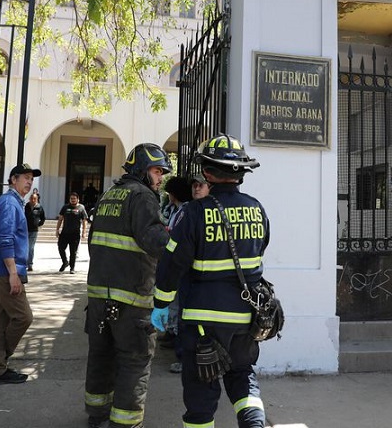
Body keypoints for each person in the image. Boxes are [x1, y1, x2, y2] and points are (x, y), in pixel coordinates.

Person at [152, 134, 268, 428]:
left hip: (203, 322)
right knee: (243, 376)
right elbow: (259, 251)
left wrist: (161, 304)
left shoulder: (193, 213)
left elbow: (171, 264)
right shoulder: (257, 209)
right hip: (246, 318)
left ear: (206, 172)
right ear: (240, 172)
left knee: (201, 392)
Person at [84, 143, 172, 428]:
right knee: (134, 362)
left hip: (98, 297)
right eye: (158, 171)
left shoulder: (108, 195)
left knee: (101, 356)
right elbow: (157, 243)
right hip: (132, 300)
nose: (161, 178)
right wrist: (182, 247)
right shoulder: (144, 197)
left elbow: (93, 243)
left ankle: (97, 415)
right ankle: (126, 423)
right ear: (142, 169)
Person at [0, 163, 40, 386]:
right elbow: (4, 238)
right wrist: (13, 273)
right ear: (13, 180)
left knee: (0, 321)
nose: (29, 182)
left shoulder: (13, 203)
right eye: (25, 178)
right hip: (5, 272)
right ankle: (0, 358)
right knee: (23, 316)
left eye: (31, 179)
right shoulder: (9, 203)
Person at [163, 174, 210, 374]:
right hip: (188, 275)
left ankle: (206, 358)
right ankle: (185, 357)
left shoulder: (210, 212)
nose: (196, 189)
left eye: (201, 185)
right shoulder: (188, 212)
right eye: (194, 186)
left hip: (209, 280)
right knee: (185, 318)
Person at [56, 192, 88, 273]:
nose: (73, 200)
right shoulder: (65, 207)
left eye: (74, 198)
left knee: (73, 251)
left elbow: (84, 221)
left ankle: (72, 268)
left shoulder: (81, 208)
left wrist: (84, 232)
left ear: (78, 199)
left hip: (75, 233)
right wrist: (57, 230)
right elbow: (60, 219)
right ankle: (65, 262)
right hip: (65, 232)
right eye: (71, 199)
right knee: (60, 247)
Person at [24, 192, 46, 272]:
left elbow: (43, 218)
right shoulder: (25, 206)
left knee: (31, 247)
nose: (33, 200)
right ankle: (24, 263)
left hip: (34, 231)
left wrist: (38, 224)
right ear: (29, 199)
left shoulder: (39, 207)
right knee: (24, 247)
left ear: (37, 199)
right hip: (25, 230)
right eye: (31, 198)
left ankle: (30, 264)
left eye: (35, 199)